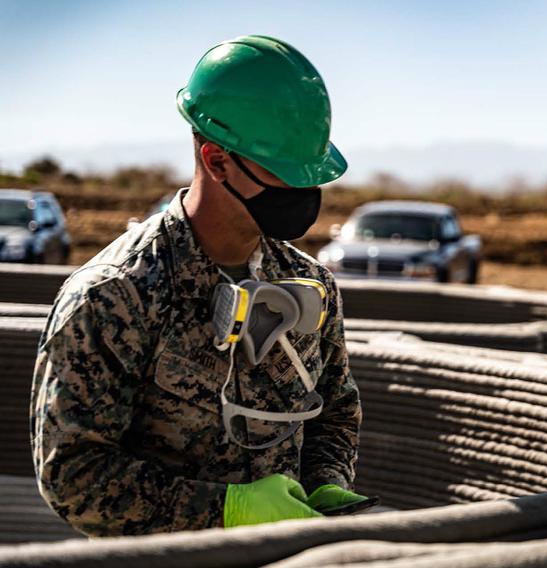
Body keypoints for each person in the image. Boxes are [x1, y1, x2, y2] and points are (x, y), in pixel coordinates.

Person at [30, 35, 367, 536]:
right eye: (284, 175)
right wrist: (225, 511)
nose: (302, 193)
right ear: (216, 161)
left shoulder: (312, 285)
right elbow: (74, 476)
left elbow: (334, 414)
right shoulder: (114, 295)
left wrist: (323, 482)